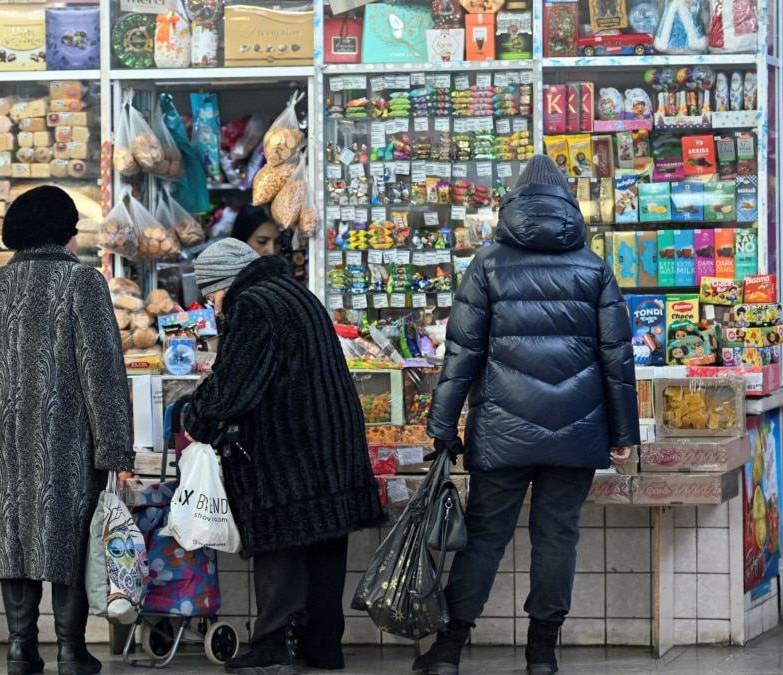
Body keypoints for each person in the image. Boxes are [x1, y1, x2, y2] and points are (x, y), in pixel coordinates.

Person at [415, 155, 638, 675]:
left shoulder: (487, 265)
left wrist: (442, 426)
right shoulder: (594, 267)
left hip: (502, 430)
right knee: (557, 537)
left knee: (485, 536)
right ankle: (542, 653)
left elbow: (461, 354)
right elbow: (617, 358)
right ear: (567, 206)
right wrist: (623, 432)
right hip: (577, 433)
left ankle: (449, 649)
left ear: (513, 203)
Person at [183, 238, 384, 674]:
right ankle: (324, 648)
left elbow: (234, 389)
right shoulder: (296, 292)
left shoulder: (253, 305)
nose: (214, 308)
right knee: (326, 541)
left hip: (290, 450)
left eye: (212, 296)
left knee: (282, 540)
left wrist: (195, 418)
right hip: (332, 445)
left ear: (225, 284)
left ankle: (275, 645)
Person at [0, 185, 133, 675]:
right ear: (65, 233)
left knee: (16, 536)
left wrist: (1, 413)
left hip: (12, 442)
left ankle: (20, 647)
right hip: (71, 440)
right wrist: (115, 450)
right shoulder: (83, 283)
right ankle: (72, 650)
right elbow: (103, 374)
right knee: (70, 536)